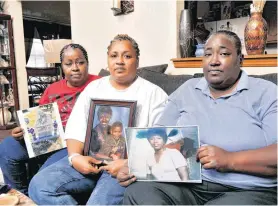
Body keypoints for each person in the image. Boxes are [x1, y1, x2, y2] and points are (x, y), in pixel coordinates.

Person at [119, 30, 277, 205]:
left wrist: (230, 160)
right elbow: (159, 136)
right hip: (190, 187)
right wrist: (134, 167)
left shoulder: (266, 92)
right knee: (139, 192)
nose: (214, 61)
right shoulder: (187, 90)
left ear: (240, 59)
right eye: (208, 54)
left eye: (224, 54)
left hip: (248, 190)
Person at [28, 34, 168, 205]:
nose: (120, 61)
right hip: (90, 160)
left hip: (124, 168)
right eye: (114, 55)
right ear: (108, 60)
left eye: (127, 56)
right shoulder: (94, 88)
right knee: (38, 186)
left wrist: (129, 163)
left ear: (137, 61)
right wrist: (75, 158)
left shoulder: (155, 94)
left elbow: (161, 145)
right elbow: (76, 127)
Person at [0, 43, 100, 195]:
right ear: (62, 67)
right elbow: (38, 118)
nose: (75, 68)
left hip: (75, 142)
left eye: (80, 62)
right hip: (49, 139)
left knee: (43, 177)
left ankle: (36, 194)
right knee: (7, 146)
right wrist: (24, 131)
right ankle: (21, 196)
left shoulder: (100, 84)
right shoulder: (52, 89)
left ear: (87, 63)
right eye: (68, 64)